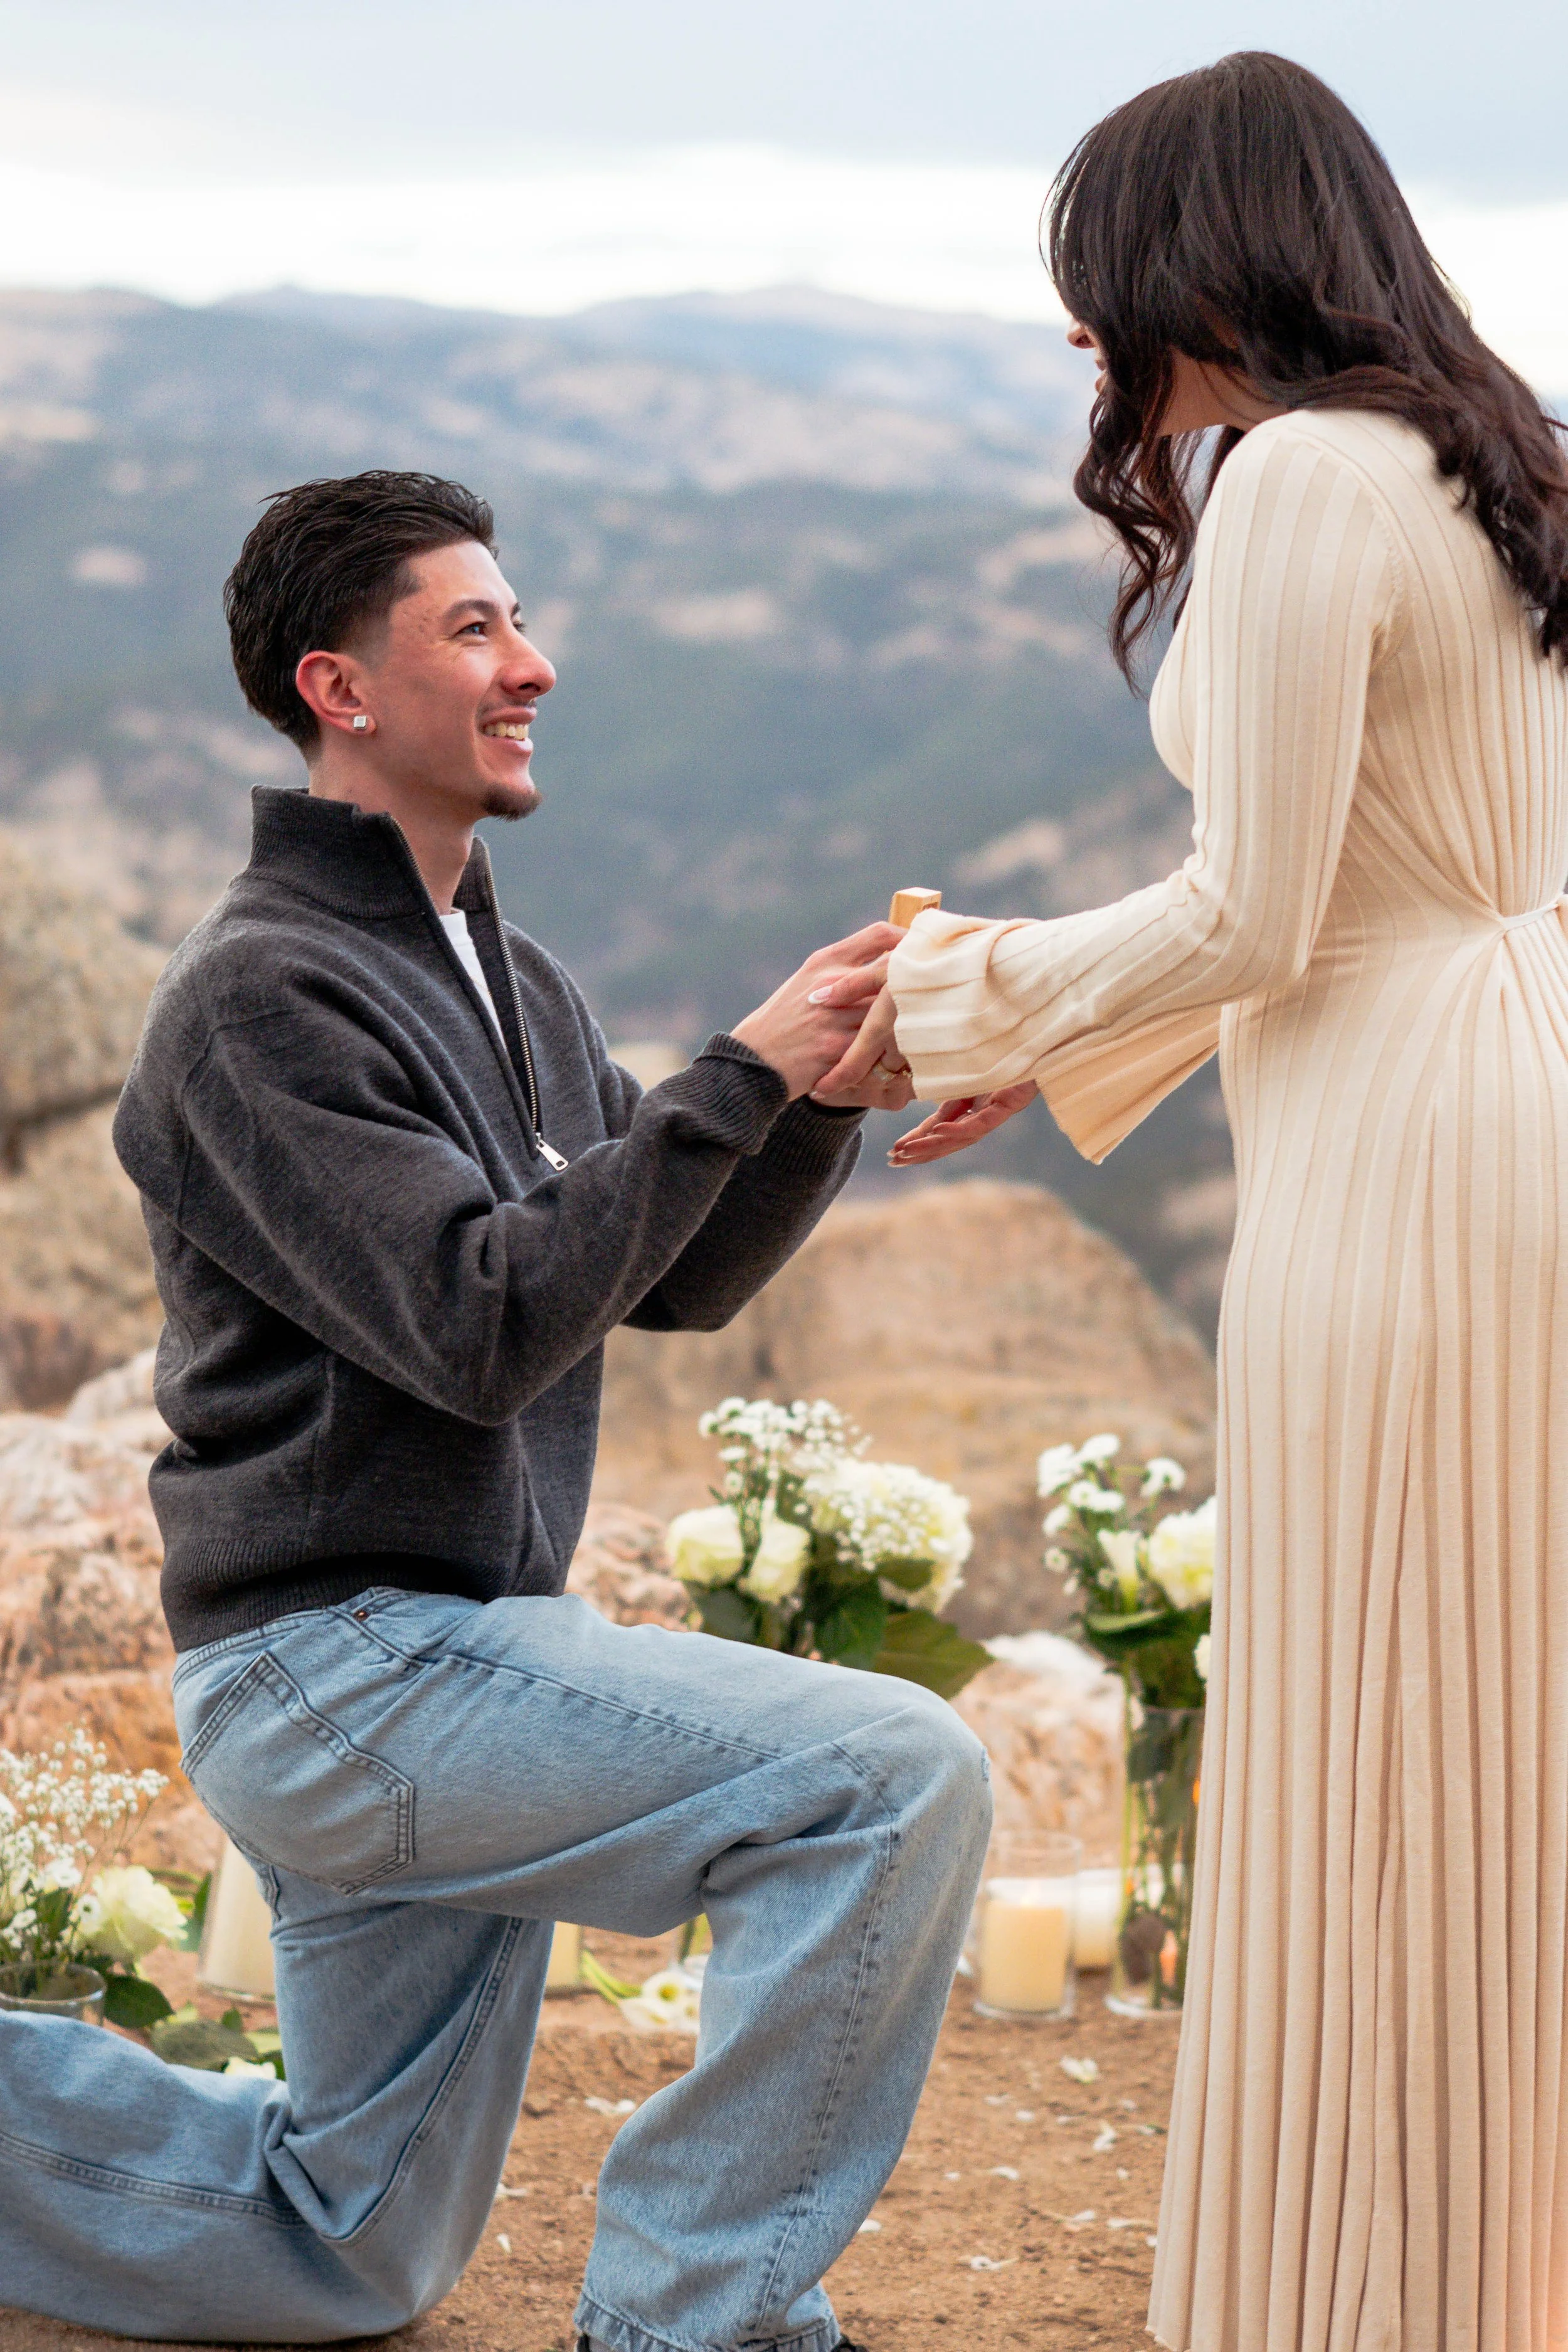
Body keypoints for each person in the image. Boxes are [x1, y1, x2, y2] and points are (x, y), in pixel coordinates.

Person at [0, 470, 991, 2350]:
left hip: (460, 1654)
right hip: (346, 1672)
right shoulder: (256, 1000)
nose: (532, 664)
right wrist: (731, 1071)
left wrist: (818, 1098)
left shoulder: (507, 977)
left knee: (341, 2239)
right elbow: (479, 1321)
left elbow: (669, 1272)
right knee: (890, 1776)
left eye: (519, 621)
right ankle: (695, 2321)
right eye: (474, 629)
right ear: (338, 687)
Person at [818, 51, 1568, 2352]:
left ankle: (1367, 2291)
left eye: (1091, 284)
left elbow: (1250, 910)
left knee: (1386, 1712)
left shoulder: (1299, 482)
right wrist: (1047, 1045)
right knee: (1484, 1713)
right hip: (1494, 1093)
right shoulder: (1489, 453)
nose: (1080, 342)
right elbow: (1368, 891)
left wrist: (968, 1002)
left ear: (1187, 260)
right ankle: (1469, 2262)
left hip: (1408, 1166)